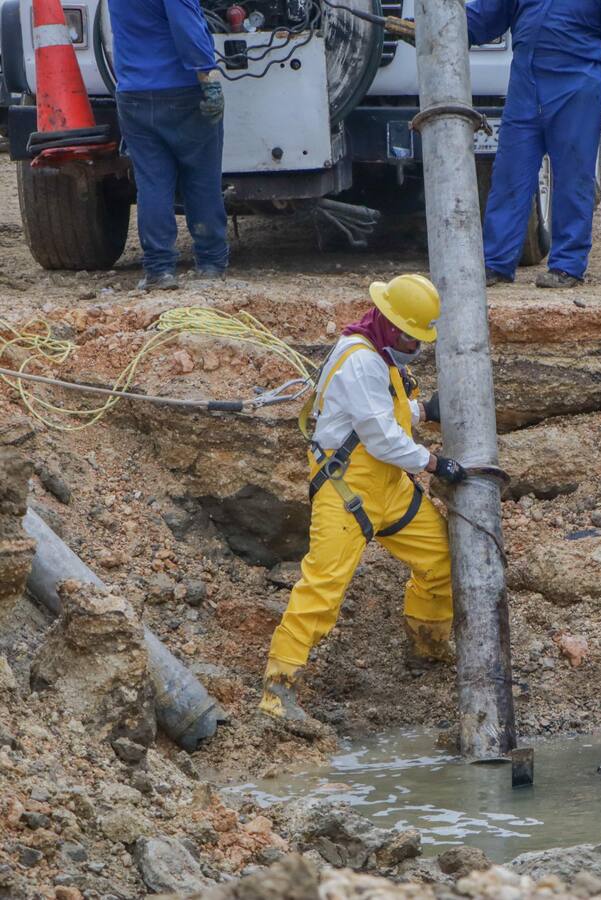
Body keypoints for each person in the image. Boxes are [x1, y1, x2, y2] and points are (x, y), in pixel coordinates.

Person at [259, 274, 468, 732]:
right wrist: (435, 464)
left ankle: (426, 648)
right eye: (412, 336)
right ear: (392, 325)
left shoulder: (379, 356)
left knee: (439, 557)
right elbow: (380, 438)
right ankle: (278, 690)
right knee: (323, 588)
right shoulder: (360, 361)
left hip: (388, 487)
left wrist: (421, 412)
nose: (416, 345)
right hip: (347, 490)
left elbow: (381, 412)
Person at [466, 0, 601, 289]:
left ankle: (567, 266)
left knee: (573, 178)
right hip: (526, 85)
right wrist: (441, 30)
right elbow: (487, 13)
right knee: (510, 175)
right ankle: (495, 263)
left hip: (578, 85)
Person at [108, 0, 229, 290]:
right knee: (201, 178)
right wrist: (207, 74)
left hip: (133, 94)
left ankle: (159, 270)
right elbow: (185, 26)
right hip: (182, 92)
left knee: (152, 183)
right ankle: (211, 263)